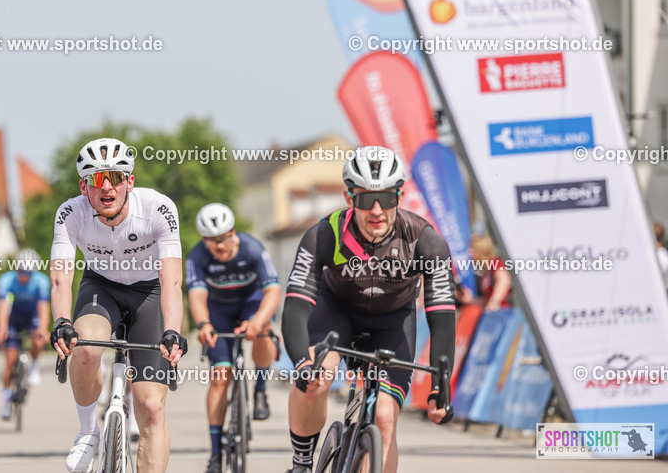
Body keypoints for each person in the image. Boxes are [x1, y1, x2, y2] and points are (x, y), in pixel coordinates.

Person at [282, 146, 456, 473]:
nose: (377, 210)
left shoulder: (424, 241)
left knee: (385, 417)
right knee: (316, 380)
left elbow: (443, 315)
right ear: (349, 200)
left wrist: (439, 385)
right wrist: (302, 363)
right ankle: (302, 463)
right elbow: (295, 306)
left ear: (399, 198)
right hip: (337, 314)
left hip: (393, 321)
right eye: (365, 200)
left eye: (387, 199)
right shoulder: (324, 235)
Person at [49, 137, 186, 473]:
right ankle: (88, 431)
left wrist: (172, 330)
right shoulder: (71, 213)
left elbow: (172, 280)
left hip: (149, 292)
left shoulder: (158, 208)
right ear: (84, 187)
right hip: (102, 288)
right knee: (84, 349)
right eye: (97, 179)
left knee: (151, 407)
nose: (107, 186)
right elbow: (60, 278)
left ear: (130, 182)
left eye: (116, 176)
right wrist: (63, 321)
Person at [187, 202, 281, 473]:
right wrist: (203, 324)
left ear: (232, 232)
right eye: (209, 240)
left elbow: (273, 291)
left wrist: (257, 321)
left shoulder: (253, 248)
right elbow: (197, 295)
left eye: (222, 238)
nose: (217, 245)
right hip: (219, 310)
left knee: (263, 332)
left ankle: (260, 390)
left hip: (251, 302)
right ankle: (216, 454)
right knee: (220, 377)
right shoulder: (197, 257)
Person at [0, 249, 52, 420]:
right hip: (13, 319)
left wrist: (43, 328)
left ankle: (34, 365)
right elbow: (3, 306)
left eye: (28, 273)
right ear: (17, 269)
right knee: (10, 360)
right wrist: (1, 328)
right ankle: (5, 402)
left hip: (31, 317)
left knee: (38, 340)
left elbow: (43, 307)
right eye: (21, 272)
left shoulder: (41, 281)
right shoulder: (6, 280)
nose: (24, 276)